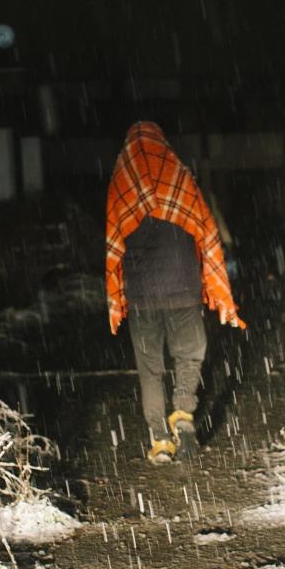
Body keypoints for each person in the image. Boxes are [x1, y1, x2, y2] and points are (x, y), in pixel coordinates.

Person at [105, 121, 245, 464]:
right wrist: (212, 282)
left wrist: (117, 293)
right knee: (190, 355)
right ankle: (183, 412)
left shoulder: (121, 182)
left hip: (142, 295)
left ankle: (159, 439)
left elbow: (113, 245)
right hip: (183, 288)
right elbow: (205, 229)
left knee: (149, 368)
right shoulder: (178, 175)